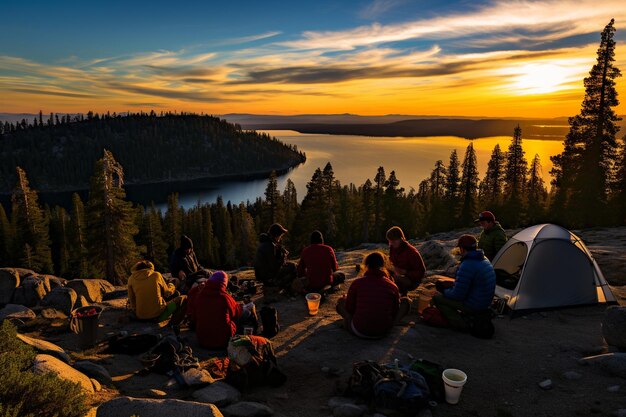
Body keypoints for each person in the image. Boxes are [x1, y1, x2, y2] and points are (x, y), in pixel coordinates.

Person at [336, 252, 410, 339]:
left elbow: (350, 308)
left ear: (366, 265)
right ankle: (393, 324)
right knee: (406, 301)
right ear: (383, 265)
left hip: (359, 330)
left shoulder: (357, 282)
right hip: (383, 331)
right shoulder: (392, 285)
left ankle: (348, 322)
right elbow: (394, 311)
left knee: (340, 302)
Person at [432, 235, 496, 330]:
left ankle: (462, 324)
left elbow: (458, 295)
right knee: (447, 287)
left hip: (474, 305)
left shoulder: (467, 264)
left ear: (462, 249)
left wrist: (444, 291)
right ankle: (468, 316)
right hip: (485, 303)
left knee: (437, 298)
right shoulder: (484, 259)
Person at [186, 271, 257, 350]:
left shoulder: (200, 295)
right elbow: (236, 313)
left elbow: (194, 317)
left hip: (202, 340)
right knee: (246, 313)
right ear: (224, 283)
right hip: (222, 341)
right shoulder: (224, 297)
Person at [127, 260, 187, 326]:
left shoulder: (131, 279)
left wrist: (137, 312)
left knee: (173, 294)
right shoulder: (156, 275)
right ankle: (173, 324)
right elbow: (167, 292)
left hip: (140, 316)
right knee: (184, 298)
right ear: (150, 267)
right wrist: (171, 285)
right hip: (158, 316)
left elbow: (132, 300)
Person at [254, 223, 296, 290]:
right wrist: (283, 257)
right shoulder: (269, 246)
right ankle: (279, 285)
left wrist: (279, 251)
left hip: (263, 276)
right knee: (293, 266)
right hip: (269, 278)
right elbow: (275, 268)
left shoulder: (265, 242)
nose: (280, 238)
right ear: (276, 235)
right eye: (280, 236)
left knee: (290, 265)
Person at [386, 226, 426, 295]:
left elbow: (421, 272)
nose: (391, 243)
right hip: (398, 274)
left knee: (395, 279)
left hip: (412, 280)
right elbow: (391, 261)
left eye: (393, 240)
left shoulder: (411, 252)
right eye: (390, 241)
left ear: (401, 239)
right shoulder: (393, 248)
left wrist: (405, 272)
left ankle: (403, 298)